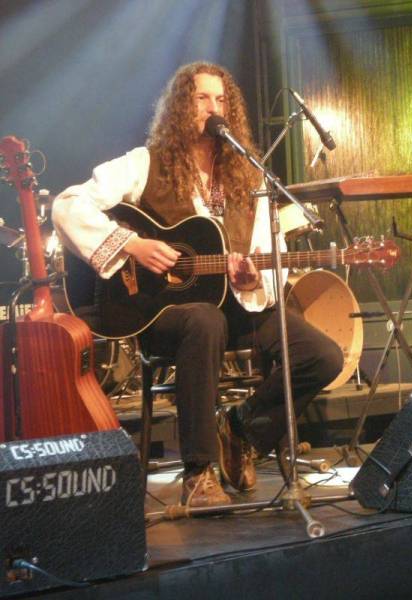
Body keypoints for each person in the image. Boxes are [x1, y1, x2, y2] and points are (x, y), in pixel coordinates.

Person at [52, 61, 343, 508]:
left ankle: (243, 429)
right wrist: (132, 244)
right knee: (205, 321)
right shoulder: (145, 163)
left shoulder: (248, 176)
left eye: (221, 99)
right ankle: (198, 472)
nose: (213, 108)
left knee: (323, 355)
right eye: (201, 98)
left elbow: (269, 252)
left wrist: (254, 276)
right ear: (180, 107)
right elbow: (68, 204)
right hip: (160, 312)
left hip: (236, 307)